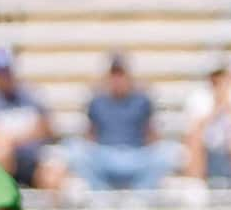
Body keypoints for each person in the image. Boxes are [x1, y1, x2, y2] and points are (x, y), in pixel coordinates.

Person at [0, 45, 66, 192]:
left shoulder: (31, 95)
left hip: (33, 159)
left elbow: (46, 128)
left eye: (6, 71)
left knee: (54, 170)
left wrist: (9, 137)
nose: (4, 76)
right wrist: (24, 134)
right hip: (3, 160)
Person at [68, 53, 164, 194]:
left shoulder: (142, 100)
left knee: (167, 153)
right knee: (74, 150)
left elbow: (151, 133)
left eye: (121, 75)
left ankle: (140, 197)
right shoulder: (96, 101)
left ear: (128, 76)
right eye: (114, 75)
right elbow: (89, 134)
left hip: (136, 154)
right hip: (104, 154)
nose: (118, 80)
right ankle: (101, 196)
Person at [181, 58, 231, 198]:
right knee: (195, 139)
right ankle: (195, 186)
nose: (220, 81)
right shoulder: (198, 97)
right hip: (207, 149)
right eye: (217, 77)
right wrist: (216, 107)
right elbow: (194, 129)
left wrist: (230, 106)